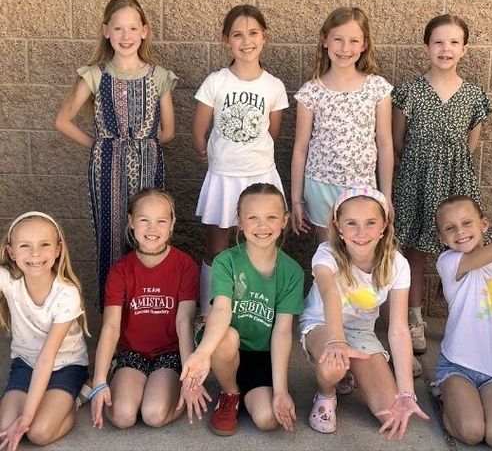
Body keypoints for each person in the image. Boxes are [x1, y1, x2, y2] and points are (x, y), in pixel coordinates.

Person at [53, 0, 176, 303]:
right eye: (118, 28)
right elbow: (62, 121)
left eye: (132, 28)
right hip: (106, 167)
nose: (126, 36)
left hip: (148, 166)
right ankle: (114, 310)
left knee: (149, 232)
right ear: (106, 31)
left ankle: (147, 304)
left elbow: (168, 132)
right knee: (110, 235)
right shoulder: (95, 74)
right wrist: (100, 145)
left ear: (144, 31)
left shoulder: (159, 76)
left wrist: (143, 146)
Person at [392, 14, 491, 357]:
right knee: (415, 251)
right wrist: (423, 164)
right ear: (427, 47)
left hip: (455, 181)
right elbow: (397, 141)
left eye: (453, 42)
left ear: (464, 49)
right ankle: (414, 318)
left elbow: (470, 145)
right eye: (438, 42)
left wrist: (446, 166)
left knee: (463, 247)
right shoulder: (409, 92)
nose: (445, 49)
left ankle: (462, 316)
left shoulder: (474, 96)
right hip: (416, 180)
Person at [298, 185, 428, 440]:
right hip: (324, 325)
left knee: (391, 414)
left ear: (384, 225)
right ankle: (326, 393)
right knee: (333, 364)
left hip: (360, 332)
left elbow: (399, 329)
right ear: (337, 226)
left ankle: (350, 370)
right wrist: (337, 340)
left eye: (370, 223)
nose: (361, 232)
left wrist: (406, 392)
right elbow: (330, 295)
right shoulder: (326, 254)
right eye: (352, 223)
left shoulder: (397, 264)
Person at [179, 184, 302, 436]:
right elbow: (221, 310)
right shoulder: (226, 261)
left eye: (271, 217)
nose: (262, 225)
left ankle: (253, 391)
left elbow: (282, 332)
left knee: (268, 420)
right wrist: (203, 353)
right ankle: (230, 393)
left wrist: (281, 391)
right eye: (252, 217)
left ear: (284, 220)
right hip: (227, 348)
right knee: (226, 337)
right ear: (240, 221)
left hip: (262, 355)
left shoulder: (292, 272)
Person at [193, 6, 288, 324]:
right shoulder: (216, 82)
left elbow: (272, 132)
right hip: (223, 177)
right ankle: (208, 311)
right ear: (226, 40)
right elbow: (199, 131)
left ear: (264, 37)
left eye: (253, 33)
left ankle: (255, 310)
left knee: (261, 244)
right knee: (217, 247)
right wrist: (210, 156)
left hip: (260, 177)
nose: (246, 41)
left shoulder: (273, 86)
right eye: (237, 35)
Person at [89, 189, 208, 429]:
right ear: (131, 222)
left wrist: (190, 380)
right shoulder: (120, 270)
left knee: (153, 415)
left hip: (170, 353)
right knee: (123, 417)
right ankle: (118, 379)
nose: (152, 228)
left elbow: (184, 322)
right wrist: (99, 381)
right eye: (144, 220)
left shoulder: (185, 266)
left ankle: (170, 390)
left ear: (172, 224)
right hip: (132, 352)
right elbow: (111, 327)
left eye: (161, 221)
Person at [289, 8, 393, 240]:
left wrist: (386, 195)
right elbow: (300, 147)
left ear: (364, 44)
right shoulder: (311, 91)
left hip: (362, 187)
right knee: (329, 250)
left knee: (360, 248)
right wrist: (296, 199)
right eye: (338, 39)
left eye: (354, 41)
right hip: (321, 185)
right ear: (325, 40)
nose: (345, 48)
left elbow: (385, 144)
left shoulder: (377, 88)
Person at [0, 212, 89, 450]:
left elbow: (47, 357)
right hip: (26, 363)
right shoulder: (8, 280)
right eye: (25, 246)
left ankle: (77, 397)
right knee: (5, 428)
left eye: (45, 245)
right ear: (11, 252)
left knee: (38, 433)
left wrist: (27, 418)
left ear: (58, 249)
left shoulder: (66, 293)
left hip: (66, 365)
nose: (35, 254)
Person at [432, 198, 492, 448]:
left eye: (467, 223)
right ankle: (448, 398)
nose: (460, 232)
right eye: (450, 228)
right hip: (458, 366)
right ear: (442, 237)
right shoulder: (448, 261)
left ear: (484, 224)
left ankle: (472, 401)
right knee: (471, 432)